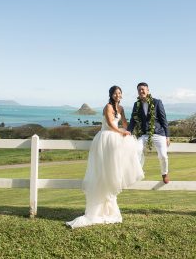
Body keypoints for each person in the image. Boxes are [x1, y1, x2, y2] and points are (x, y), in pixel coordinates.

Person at [66, 85, 144, 229]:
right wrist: (121, 132)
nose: (117, 95)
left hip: (115, 137)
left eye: (119, 93)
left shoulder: (120, 108)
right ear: (111, 94)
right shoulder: (107, 107)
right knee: (104, 171)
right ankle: (97, 209)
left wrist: (129, 130)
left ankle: (109, 206)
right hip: (106, 138)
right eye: (115, 93)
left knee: (115, 168)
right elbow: (110, 124)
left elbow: (125, 123)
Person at [128, 82, 170, 184]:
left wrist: (167, 136)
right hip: (144, 134)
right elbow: (133, 120)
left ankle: (164, 173)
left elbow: (164, 120)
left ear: (148, 90)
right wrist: (128, 132)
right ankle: (137, 173)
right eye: (139, 90)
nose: (141, 91)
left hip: (159, 133)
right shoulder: (136, 104)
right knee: (136, 150)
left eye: (143, 89)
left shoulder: (157, 102)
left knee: (163, 156)